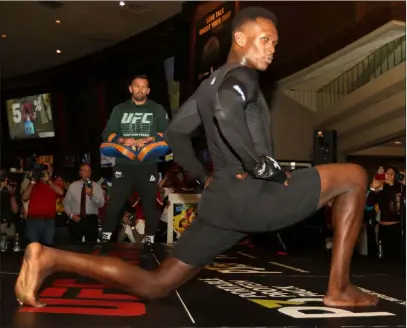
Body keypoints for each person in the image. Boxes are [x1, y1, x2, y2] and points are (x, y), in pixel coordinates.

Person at [15, 7, 378, 308]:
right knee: (355, 176)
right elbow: (225, 115)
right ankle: (339, 289)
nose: (271, 50)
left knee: (156, 284)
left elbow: (174, 133)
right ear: (240, 39)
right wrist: (260, 165)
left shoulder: (209, 85)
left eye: (275, 43)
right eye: (265, 40)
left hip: (221, 202)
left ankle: (50, 258)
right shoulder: (243, 76)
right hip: (255, 196)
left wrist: (203, 177)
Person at [100, 74, 169, 250]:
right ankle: (105, 238)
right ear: (130, 88)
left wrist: (148, 139)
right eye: (136, 86)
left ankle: (150, 239)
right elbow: (106, 133)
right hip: (124, 165)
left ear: (148, 90)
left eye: (144, 86)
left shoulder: (157, 109)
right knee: (114, 203)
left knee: (149, 204)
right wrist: (123, 140)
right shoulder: (119, 109)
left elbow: (167, 133)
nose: (140, 89)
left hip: (148, 164)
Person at [63, 164, 105, 243]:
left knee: (91, 246)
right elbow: (66, 203)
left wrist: (91, 195)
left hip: (91, 220)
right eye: (84, 170)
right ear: (80, 173)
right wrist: (71, 215)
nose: (87, 172)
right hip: (76, 219)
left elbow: (101, 204)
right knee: (74, 247)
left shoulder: (96, 186)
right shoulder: (72, 186)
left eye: (89, 170)